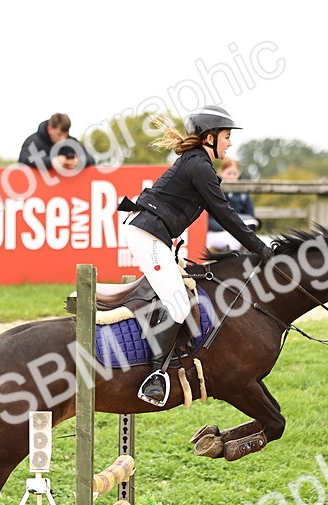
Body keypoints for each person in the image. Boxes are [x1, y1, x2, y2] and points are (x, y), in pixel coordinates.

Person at [117, 105, 270, 406]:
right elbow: (225, 214)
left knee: (178, 295)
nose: (230, 143)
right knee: (176, 301)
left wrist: (257, 245)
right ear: (209, 137)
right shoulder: (199, 166)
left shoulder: (198, 163)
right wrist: (260, 248)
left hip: (151, 232)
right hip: (146, 233)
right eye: (226, 136)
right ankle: (155, 377)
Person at [206, 158, 258, 252]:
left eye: (235, 174)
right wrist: (225, 227)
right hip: (216, 231)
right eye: (229, 173)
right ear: (221, 173)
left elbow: (250, 215)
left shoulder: (243, 193)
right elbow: (207, 219)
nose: (232, 177)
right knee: (233, 241)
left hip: (237, 230)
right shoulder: (215, 190)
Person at [18, 112, 95, 174]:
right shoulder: (33, 141)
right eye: (59, 135)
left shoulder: (71, 142)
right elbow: (23, 159)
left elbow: (91, 159)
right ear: (49, 129)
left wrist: (79, 162)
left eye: (66, 135)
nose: (63, 139)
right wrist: (51, 162)